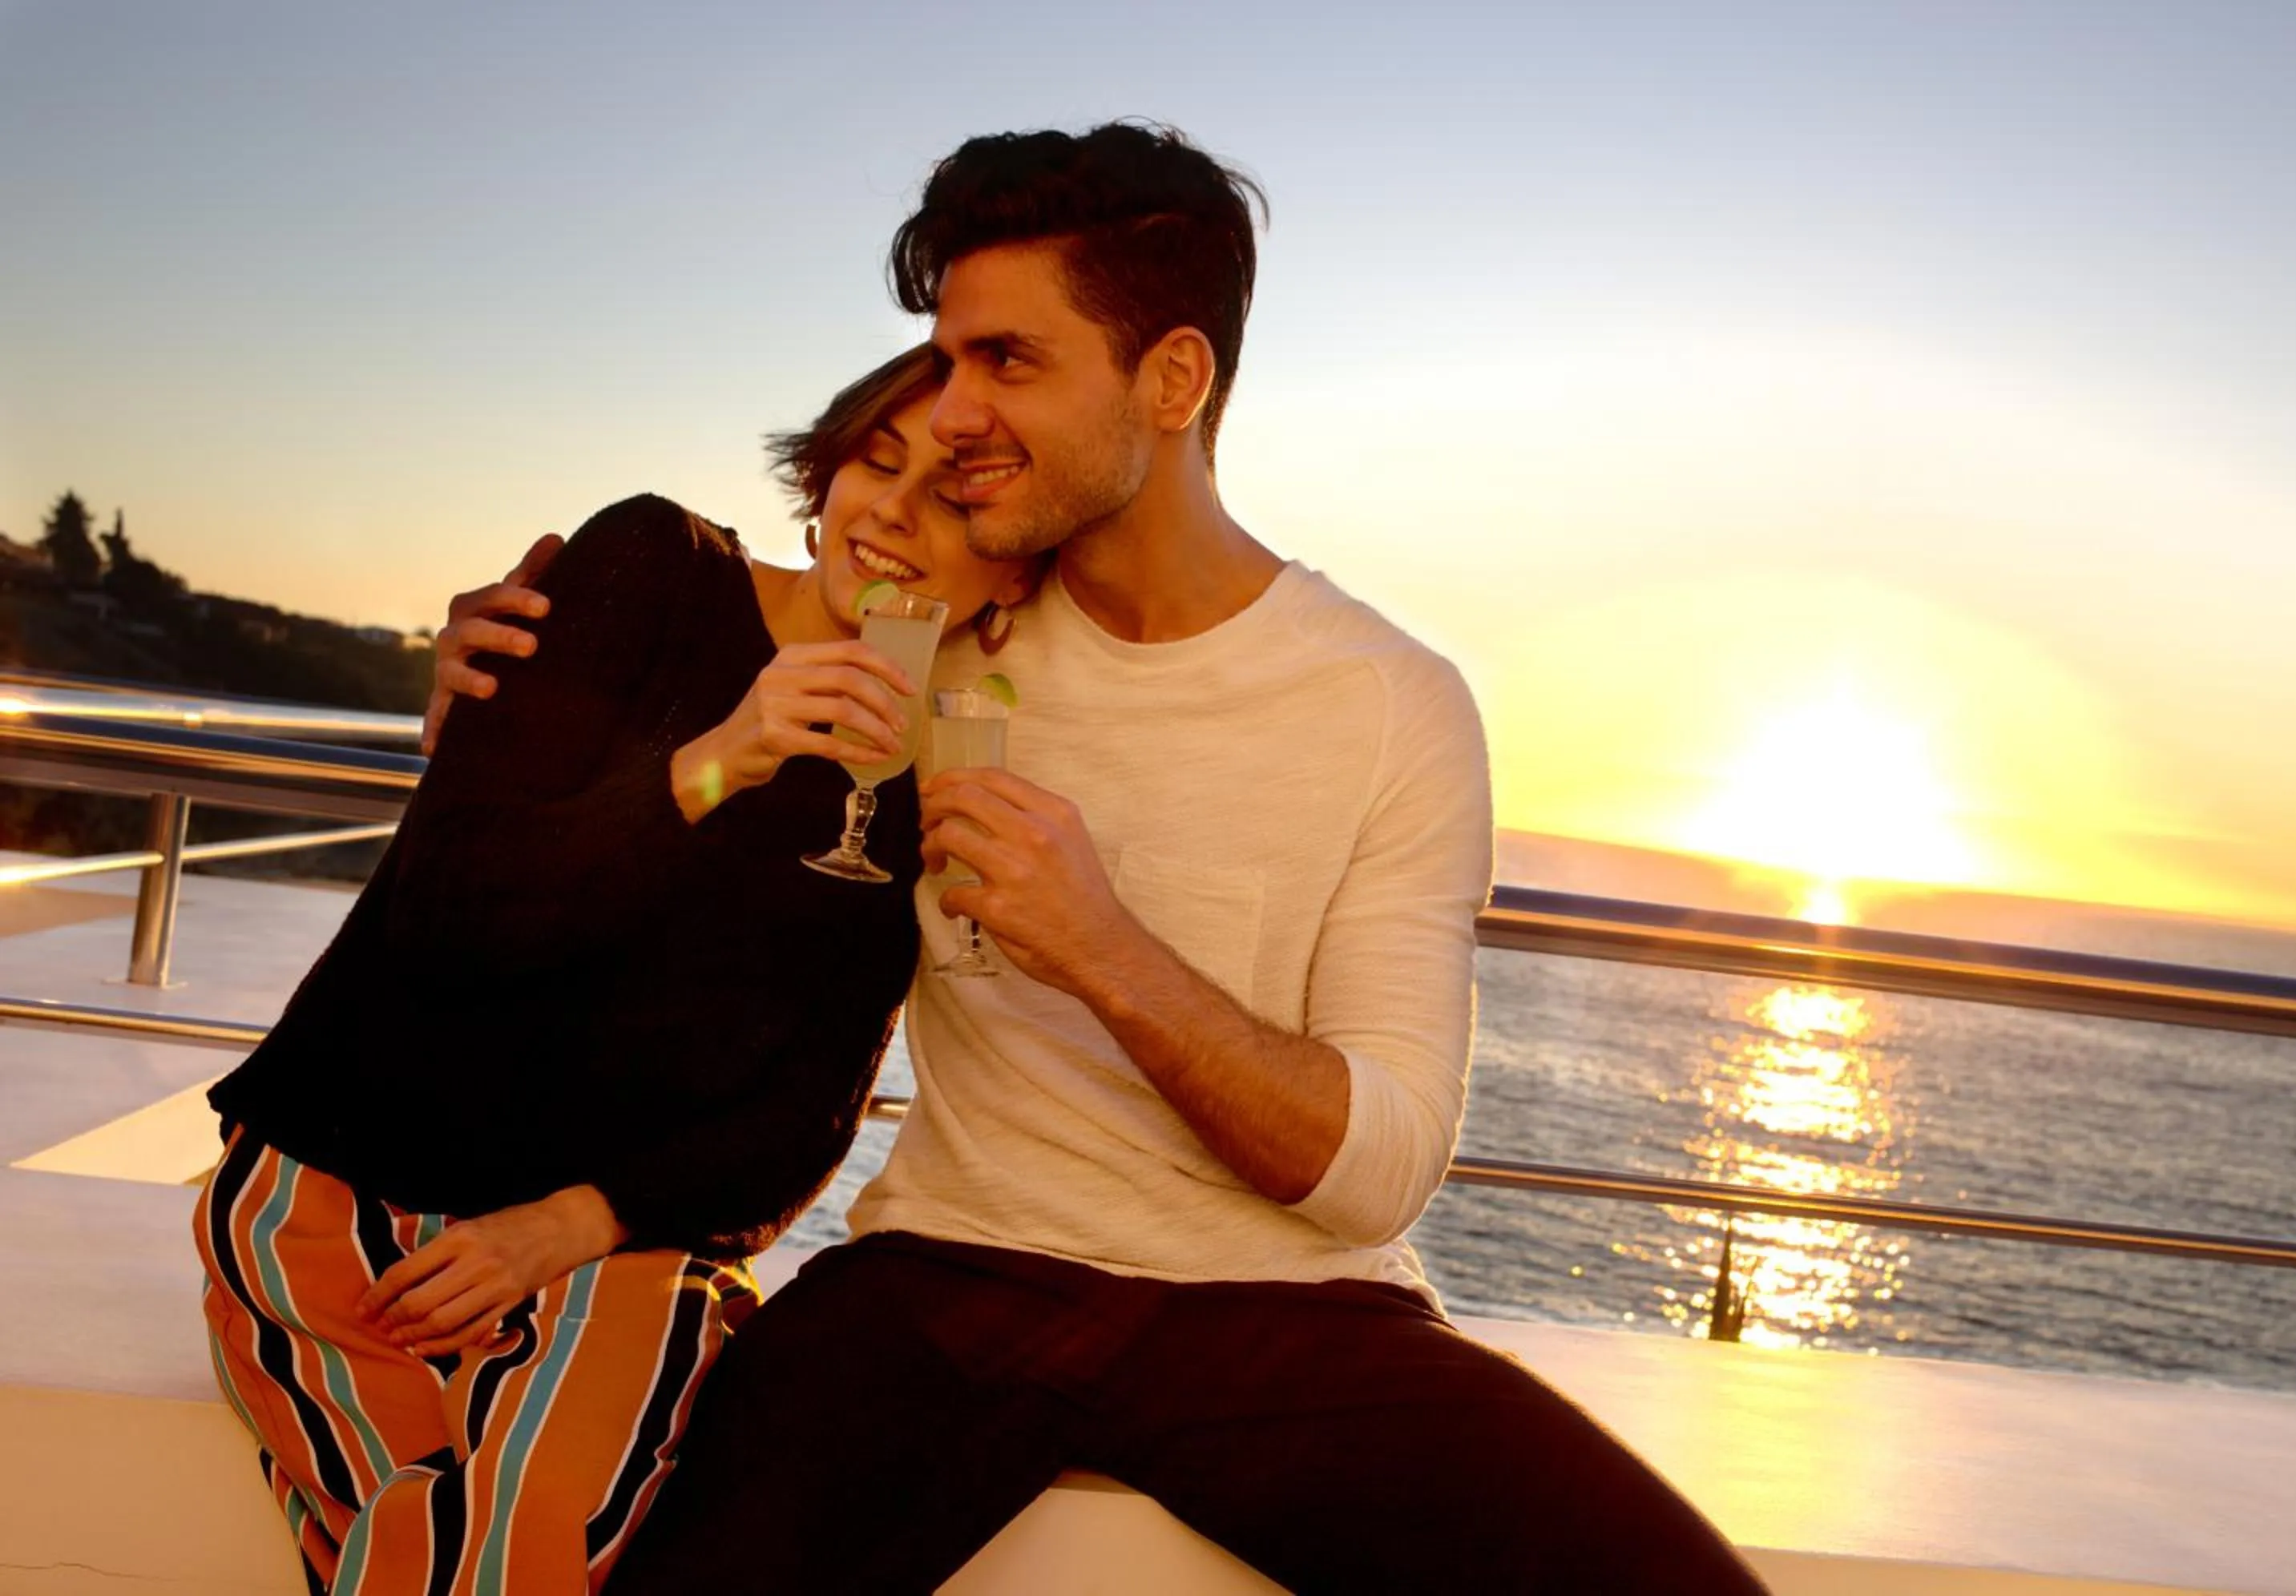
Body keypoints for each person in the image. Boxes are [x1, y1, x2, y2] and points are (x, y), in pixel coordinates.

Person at [446, 125, 1768, 1594]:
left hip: (1293, 1313)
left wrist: (1104, 950)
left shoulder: (1392, 702)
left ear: (1175, 380)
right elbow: (663, 725)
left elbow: (1377, 1167)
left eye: (1009, 363)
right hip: (943, 1277)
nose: (950, 415)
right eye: (944, 362)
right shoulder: (938, 630)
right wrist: (500, 679)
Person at [195, 345, 1038, 1595]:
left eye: (957, 501)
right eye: (879, 458)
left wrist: (569, 1223)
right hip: (336, 1196)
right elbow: (452, 909)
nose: (898, 514)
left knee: (478, 1563)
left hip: (616, 1252)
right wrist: (722, 758)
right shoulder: (651, 567)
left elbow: (802, 1116)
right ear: (826, 470)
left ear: (1014, 568)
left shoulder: (920, 780)